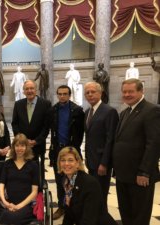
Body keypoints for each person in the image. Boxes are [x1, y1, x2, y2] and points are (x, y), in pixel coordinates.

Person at [113, 78, 160, 225]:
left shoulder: (151, 110)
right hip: (123, 173)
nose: (127, 94)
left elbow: (154, 144)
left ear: (141, 91)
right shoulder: (125, 112)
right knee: (126, 210)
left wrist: (144, 172)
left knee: (139, 214)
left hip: (139, 175)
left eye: (131, 91)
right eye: (124, 91)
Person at [49, 85, 85, 220]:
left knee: (74, 180)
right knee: (59, 180)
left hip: (72, 150)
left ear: (69, 95)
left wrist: (74, 149)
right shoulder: (53, 110)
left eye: (65, 94)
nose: (62, 96)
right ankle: (62, 206)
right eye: (60, 94)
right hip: (57, 149)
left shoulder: (77, 111)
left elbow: (80, 133)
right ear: (57, 95)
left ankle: (74, 207)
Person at [58, 147, 117, 225]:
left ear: (77, 163)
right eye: (63, 160)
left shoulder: (89, 183)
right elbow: (69, 214)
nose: (66, 163)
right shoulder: (66, 182)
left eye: (70, 160)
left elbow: (89, 219)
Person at [84, 82, 119, 209]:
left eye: (93, 92)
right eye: (87, 92)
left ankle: (102, 218)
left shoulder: (109, 111)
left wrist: (104, 163)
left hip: (102, 162)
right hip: (91, 160)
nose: (90, 94)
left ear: (100, 93)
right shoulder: (87, 112)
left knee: (101, 193)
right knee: (94, 192)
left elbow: (111, 139)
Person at [11, 80, 51, 177]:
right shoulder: (18, 104)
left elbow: (46, 126)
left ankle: (39, 192)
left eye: (31, 88)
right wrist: (22, 140)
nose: (29, 91)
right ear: (24, 91)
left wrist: (36, 141)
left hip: (38, 146)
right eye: (27, 89)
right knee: (22, 172)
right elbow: (14, 124)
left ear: (36, 90)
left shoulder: (45, 104)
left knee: (38, 173)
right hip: (21, 147)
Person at [0, 133, 39, 225]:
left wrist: (19, 206)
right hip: (8, 204)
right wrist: (5, 203)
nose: (19, 148)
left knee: (10, 218)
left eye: (22, 145)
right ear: (13, 147)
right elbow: (1, 185)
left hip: (26, 205)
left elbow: (34, 192)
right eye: (17, 145)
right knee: (7, 216)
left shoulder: (33, 165)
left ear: (27, 147)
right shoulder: (7, 164)